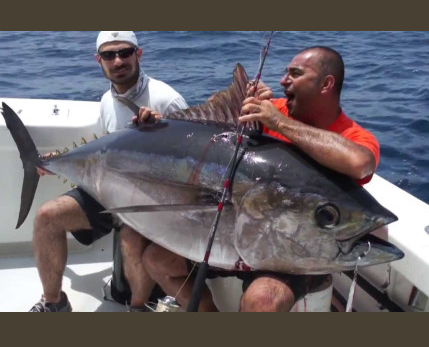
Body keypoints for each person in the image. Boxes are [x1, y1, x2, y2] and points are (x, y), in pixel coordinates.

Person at [141, 45, 380, 312]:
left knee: (264, 300)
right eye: (285, 73)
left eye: (295, 74)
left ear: (326, 84)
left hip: (291, 254)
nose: (282, 81)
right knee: (155, 260)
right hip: (232, 237)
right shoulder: (269, 109)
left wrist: (279, 123)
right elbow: (212, 125)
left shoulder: (349, 135)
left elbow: (361, 164)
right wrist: (163, 124)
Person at [29, 31, 188, 312]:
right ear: (98, 60)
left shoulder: (166, 99)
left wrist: (165, 130)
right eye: (109, 55)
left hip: (155, 200)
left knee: (130, 233)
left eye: (125, 53)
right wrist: (61, 160)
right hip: (109, 192)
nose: (118, 61)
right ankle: (54, 303)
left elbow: (191, 161)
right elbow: (104, 152)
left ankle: (138, 308)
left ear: (138, 55)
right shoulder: (106, 100)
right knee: (46, 217)